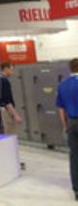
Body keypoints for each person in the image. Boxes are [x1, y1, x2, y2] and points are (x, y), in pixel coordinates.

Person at [56, 58, 78, 201]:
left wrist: (65, 125)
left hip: (72, 123)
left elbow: (60, 108)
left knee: (74, 156)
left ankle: (77, 189)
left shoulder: (63, 85)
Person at [0, 62, 23, 135]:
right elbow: (7, 100)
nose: (12, 72)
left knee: (4, 132)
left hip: (0, 109)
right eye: (11, 70)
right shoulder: (4, 81)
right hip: (6, 110)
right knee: (9, 133)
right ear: (5, 69)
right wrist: (16, 115)